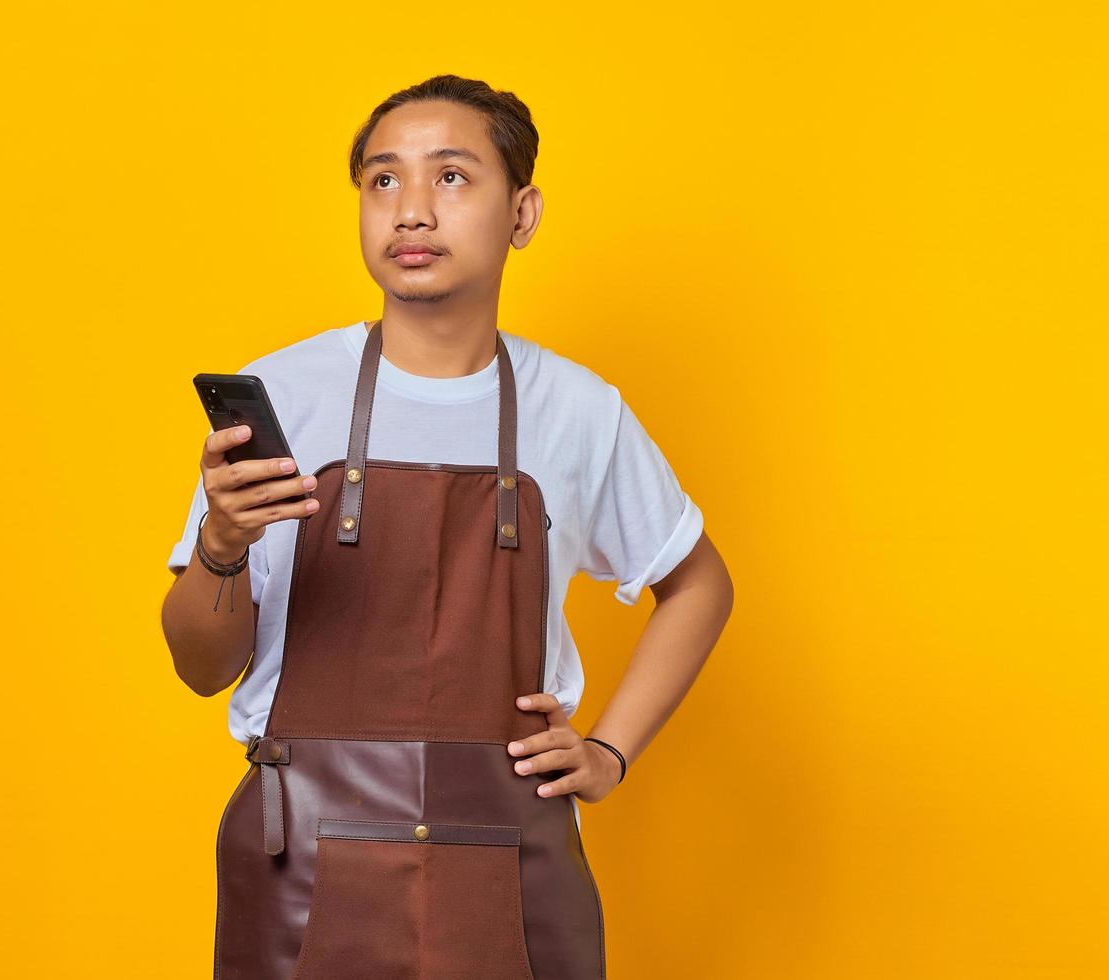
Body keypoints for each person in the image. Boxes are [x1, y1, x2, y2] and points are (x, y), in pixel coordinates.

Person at [160, 73, 734, 980]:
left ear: (523, 212)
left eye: (453, 177)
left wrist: (609, 752)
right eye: (383, 181)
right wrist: (220, 549)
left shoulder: (578, 411)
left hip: (508, 860)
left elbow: (698, 584)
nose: (412, 210)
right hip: (300, 859)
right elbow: (199, 668)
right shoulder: (286, 394)